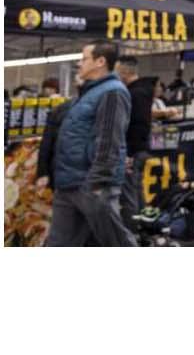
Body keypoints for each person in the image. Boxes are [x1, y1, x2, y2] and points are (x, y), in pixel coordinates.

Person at [45, 42, 135, 246]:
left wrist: (97, 184)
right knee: (59, 243)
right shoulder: (89, 93)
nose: (79, 63)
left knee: (114, 242)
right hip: (69, 183)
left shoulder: (112, 92)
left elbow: (109, 140)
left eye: (84, 58)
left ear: (100, 62)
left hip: (90, 184)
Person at [115, 57, 181, 230]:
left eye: (116, 70)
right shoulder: (142, 91)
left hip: (132, 150)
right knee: (136, 190)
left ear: (125, 72)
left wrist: (127, 151)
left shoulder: (133, 93)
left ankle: (134, 231)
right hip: (140, 148)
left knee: (130, 193)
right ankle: (143, 226)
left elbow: (132, 122)